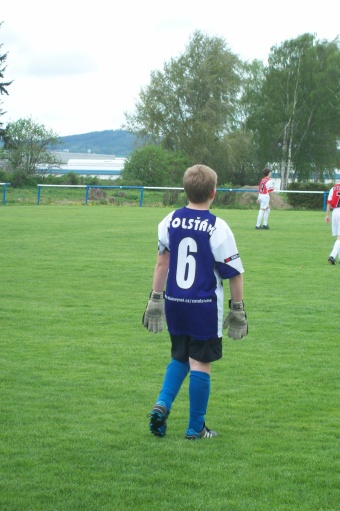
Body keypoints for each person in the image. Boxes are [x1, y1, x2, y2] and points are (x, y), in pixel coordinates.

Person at [142, 164, 248, 440]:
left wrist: (155, 298)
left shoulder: (169, 220)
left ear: (185, 191)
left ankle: (162, 404)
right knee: (201, 362)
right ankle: (195, 428)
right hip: (204, 305)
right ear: (214, 192)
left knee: (180, 356)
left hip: (175, 301)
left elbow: (161, 263)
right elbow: (233, 273)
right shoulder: (217, 226)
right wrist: (238, 308)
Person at [325, 183, 340, 264]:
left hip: (335, 212)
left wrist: (327, 215)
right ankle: (332, 256)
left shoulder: (333, 188)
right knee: (339, 237)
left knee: (339, 236)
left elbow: (329, 202)